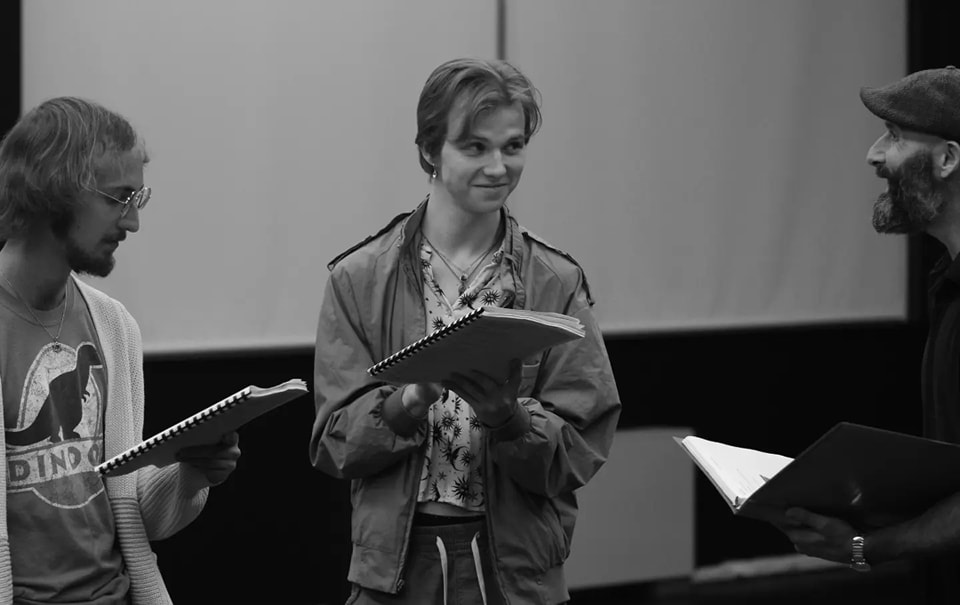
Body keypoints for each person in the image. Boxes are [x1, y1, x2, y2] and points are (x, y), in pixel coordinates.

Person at [310, 58, 621, 605]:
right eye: (475, 147)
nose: (498, 166)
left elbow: (581, 447)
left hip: (515, 572)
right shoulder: (359, 278)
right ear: (430, 150)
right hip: (396, 571)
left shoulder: (555, 280)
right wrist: (407, 400)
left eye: (514, 146)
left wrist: (510, 418)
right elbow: (334, 443)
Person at [0, 97, 241, 603]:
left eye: (138, 199)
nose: (132, 223)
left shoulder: (113, 326)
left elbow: (130, 515)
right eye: (118, 198)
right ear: (51, 190)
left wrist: (191, 470)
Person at [778, 66, 960, 601]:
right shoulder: (948, 283)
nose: (874, 155)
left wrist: (867, 546)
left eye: (897, 136)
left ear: (948, 158)